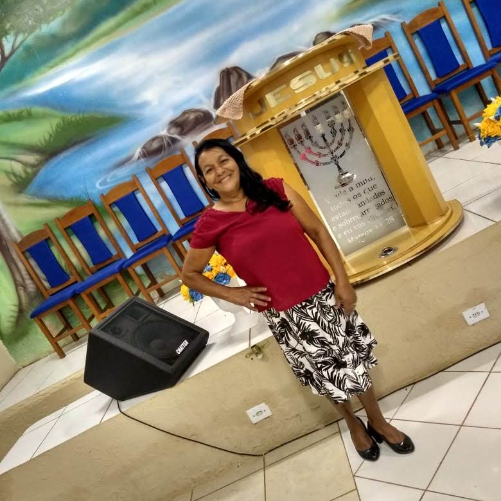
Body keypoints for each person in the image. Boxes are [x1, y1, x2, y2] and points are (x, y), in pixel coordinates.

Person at [181, 138, 414, 461]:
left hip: (324, 297)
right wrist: (233, 293)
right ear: (205, 181)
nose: (219, 171)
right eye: (209, 170)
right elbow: (190, 275)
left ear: (237, 159)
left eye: (223, 161)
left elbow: (318, 231)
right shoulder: (211, 224)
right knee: (322, 374)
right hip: (285, 315)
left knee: (353, 363)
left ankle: (377, 420)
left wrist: (343, 281)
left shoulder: (275, 190)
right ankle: (352, 424)